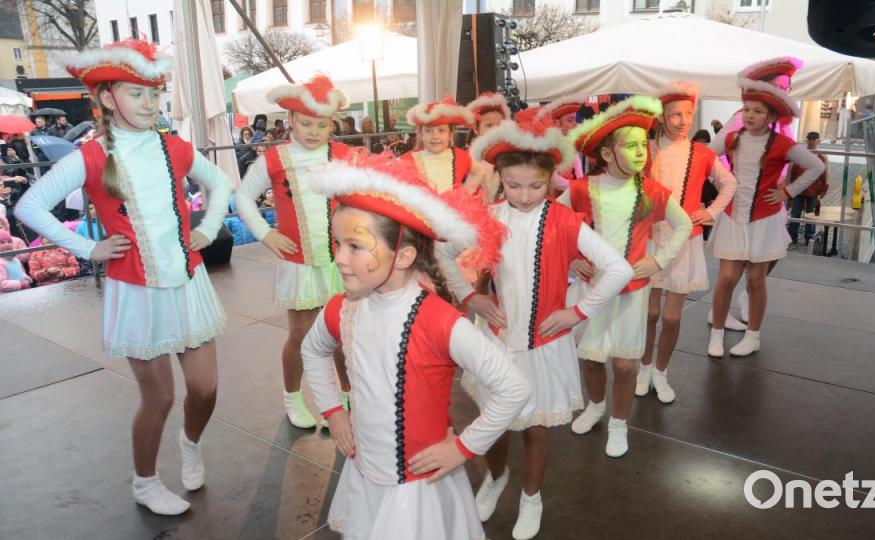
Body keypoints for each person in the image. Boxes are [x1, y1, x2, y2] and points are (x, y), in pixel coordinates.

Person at [15, 39, 232, 516]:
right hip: (135, 291)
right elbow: (27, 205)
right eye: (137, 94)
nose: (150, 103)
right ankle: (145, 482)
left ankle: (191, 444)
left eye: (154, 93)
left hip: (189, 283)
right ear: (108, 98)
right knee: (159, 397)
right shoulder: (90, 156)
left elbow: (220, 184)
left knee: (205, 389)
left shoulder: (175, 146)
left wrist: (209, 229)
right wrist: (88, 248)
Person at [300, 155, 530, 540]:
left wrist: (463, 448)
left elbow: (514, 387)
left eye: (355, 246)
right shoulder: (343, 308)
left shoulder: (438, 321)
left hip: (418, 486)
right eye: (337, 242)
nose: (338, 257)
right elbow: (313, 350)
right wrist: (334, 413)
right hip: (364, 470)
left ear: (404, 256)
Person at [440, 108, 630, 539]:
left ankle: (532, 496)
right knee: (493, 421)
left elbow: (617, 269)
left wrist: (577, 312)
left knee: (536, 427)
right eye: (513, 186)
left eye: (535, 185)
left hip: (545, 344)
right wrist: (473, 298)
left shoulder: (564, 220)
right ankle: (496, 477)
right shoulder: (490, 217)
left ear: (550, 179)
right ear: (500, 180)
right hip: (498, 341)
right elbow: (444, 253)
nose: (524, 195)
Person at [559, 96, 693, 457]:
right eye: (629, 146)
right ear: (606, 154)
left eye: (642, 146)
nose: (640, 153)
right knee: (590, 358)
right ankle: (596, 405)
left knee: (623, 362)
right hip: (591, 290)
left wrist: (659, 260)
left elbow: (682, 225)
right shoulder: (581, 189)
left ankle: (619, 424)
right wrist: (572, 260)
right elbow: (553, 226)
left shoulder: (651, 191)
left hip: (632, 292)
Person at [235, 75, 356, 430]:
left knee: (341, 331)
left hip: (340, 261)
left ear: (332, 123)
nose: (314, 131)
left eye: (322, 124)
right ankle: (292, 396)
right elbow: (243, 195)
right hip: (297, 263)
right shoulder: (275, 158)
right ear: (290, 121)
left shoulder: (344, 155)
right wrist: (265, 233)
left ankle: (347, 392)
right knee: (300, 334)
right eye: (305, 123)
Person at [706, 57, 825, 357]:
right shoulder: (731, 137)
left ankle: (753, 336)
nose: (749, 115)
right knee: (726, 278)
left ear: (771, 116)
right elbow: (705, 159)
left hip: (765, 218)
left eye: (758, 111)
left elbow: (815, 166)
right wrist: (723, 184)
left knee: (756, 280)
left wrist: (788, 191)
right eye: (747, 109)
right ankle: (716, 335)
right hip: (734, 216)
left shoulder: (784, 145)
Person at [638, 82, 737, 404]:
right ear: (662, 116)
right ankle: (644, 367)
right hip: (651, 239)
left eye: (687, 114)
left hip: (684, 241)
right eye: (674, 114)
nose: (681, 121)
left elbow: (729, 183)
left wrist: (709, 212)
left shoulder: (703, 153)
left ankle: (662, 372)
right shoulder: (646, 150)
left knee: (671, 316)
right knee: (649, 314)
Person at [400, 97, 479, 194]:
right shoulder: (409, 159)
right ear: (421, 135)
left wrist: (465, 195)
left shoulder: (460, 156)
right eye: (429, 131)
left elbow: (479, 171)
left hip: (451, 208)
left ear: (450, 134)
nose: (435, 136)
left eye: (441, 130)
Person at [465, 92, 512, 202]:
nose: (495, 130)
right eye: (489, 125)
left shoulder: (511, 158)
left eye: (499, 125)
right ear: (476, 129)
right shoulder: (465, 160)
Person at [787, 131, 829, 248]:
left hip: (813, 191)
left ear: (818, 141)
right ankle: (792, 237)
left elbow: (825, 174)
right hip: (799, 190)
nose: (811, 141)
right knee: (795, 214)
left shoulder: (822, 156)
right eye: (809, 139)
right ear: (807, 140)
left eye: (813, 139)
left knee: (811, 215)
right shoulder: (801, 154)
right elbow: (793, 173)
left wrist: (824, 189)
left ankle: (809, 238)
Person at [537, 95, 588, 192]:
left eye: (575, 119)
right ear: (556, 124)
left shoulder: (568, 145)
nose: (575, 124)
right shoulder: (549, 147)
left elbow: (578, 172)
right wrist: (577, 187)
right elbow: (552, 178)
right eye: (570, 120)